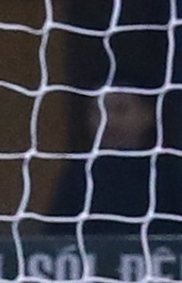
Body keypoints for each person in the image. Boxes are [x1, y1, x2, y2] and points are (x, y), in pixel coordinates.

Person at [56, 85, 182, 234]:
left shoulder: (171, 172)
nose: (109, 121)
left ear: (148, 114)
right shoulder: (80, 175)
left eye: (120, 109)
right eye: (98, 111)